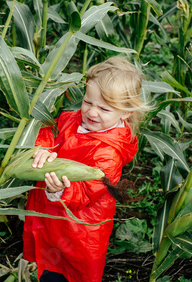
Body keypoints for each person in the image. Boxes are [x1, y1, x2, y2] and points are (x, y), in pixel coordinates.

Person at [22, 56, 148, 282]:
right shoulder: (73, 119)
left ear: (126, 112)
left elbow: (88, 192)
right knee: (47, 265)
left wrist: (60, 190)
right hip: (51, 218)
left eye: (104, 108)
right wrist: (42, 147)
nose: (92, 113)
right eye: (88, 102)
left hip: (77, 231)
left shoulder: (108, 154)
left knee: (65, 274)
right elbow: (47, 127)